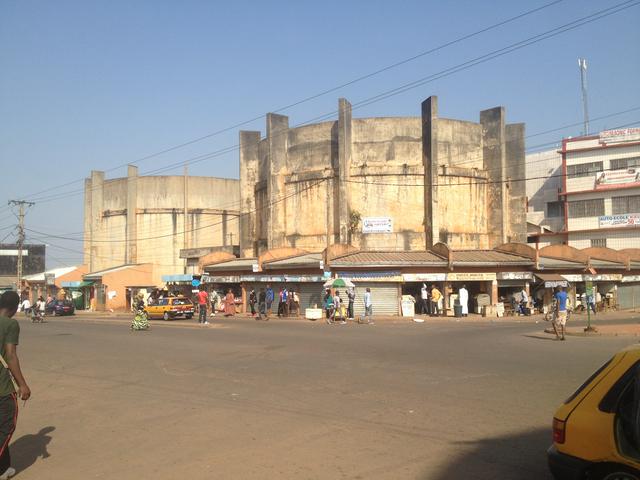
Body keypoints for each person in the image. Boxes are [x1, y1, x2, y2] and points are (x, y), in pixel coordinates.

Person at [0, 291, 32, 480]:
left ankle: (4, 469)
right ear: (14, 307)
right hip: (3, 388)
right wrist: (23, 385)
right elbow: (11, 355)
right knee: (6, 427)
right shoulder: (10, 324)